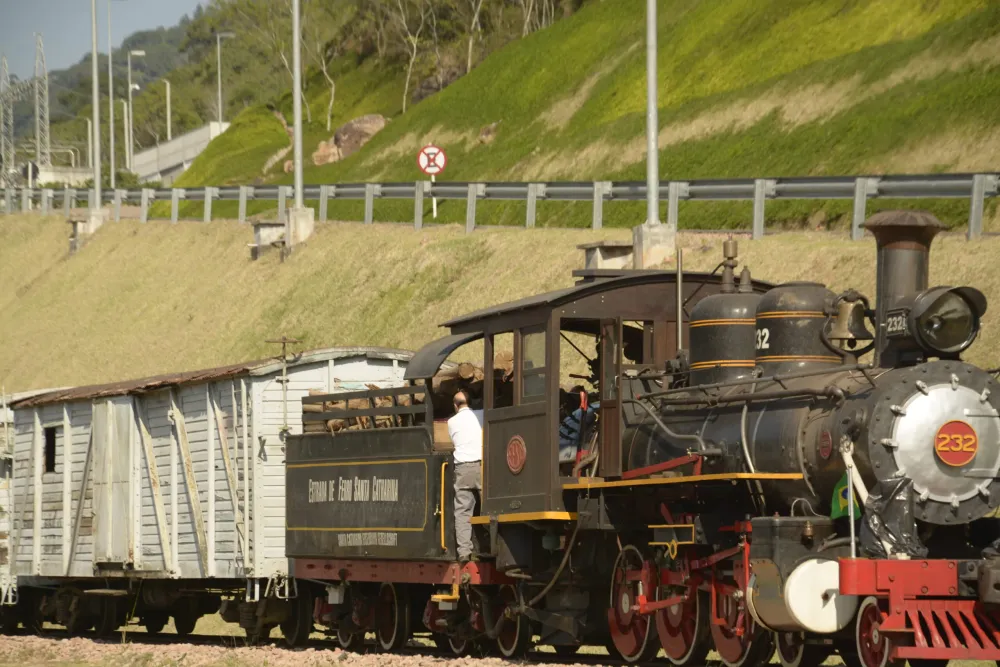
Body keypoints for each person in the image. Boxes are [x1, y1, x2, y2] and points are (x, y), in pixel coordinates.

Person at [447, 391, 483, 563]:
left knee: (462, 512)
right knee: (489, 509)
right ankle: (491, 547)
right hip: (482, 467)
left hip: (462, 468)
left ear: (455, 405)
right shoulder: (480, 415)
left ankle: (464, 552)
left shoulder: (451, 422)